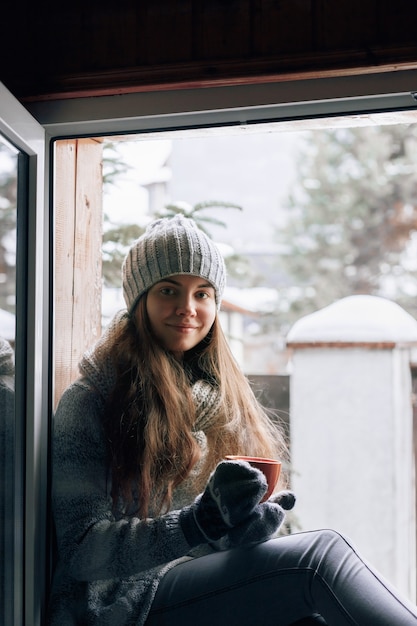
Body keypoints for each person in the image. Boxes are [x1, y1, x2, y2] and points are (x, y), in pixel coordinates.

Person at [48, 215, 417, 626]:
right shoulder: (93, 399)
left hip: (185, 583)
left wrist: (238, 530)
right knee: (318, 559)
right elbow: (82, 550)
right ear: (140, 300)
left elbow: (203, 535)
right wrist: (197, 522)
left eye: (202, 293)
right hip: (119, 604)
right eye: (169, 290)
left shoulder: (216, 399)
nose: (187, 308)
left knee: (311, 619)